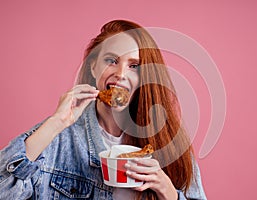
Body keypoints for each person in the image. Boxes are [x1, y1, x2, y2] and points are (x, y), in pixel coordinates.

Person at [0, 19, 207, 200]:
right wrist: (55, 123)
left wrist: (169, 193)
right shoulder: (57, 140)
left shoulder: (169, 141)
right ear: (93, 67)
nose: (120, 74)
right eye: (111, 61)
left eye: (133, 66)